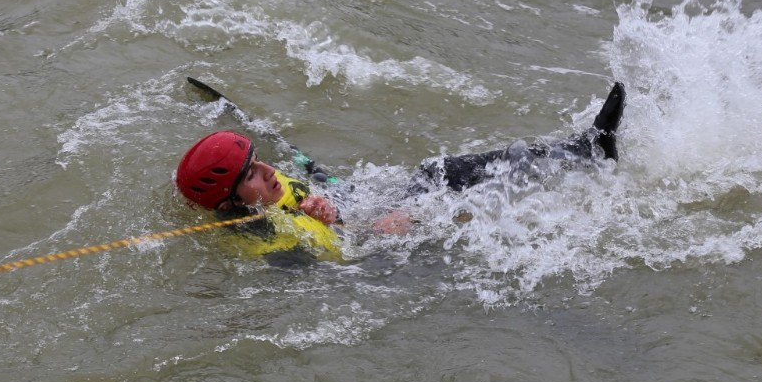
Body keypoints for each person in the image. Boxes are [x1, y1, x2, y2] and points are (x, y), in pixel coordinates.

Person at [175, 82, 626, 264]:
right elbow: (334, 269)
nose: (266, 171)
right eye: (251, 174)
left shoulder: (263, 189)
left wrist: (328, 198)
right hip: (380, 246)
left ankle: (583, 149)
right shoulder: (268, 239)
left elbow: (293, 174)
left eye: (258, 160)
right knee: (444, 207)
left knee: (437, 170)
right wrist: (362, 229)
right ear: (233, 203)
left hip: (353, 201)